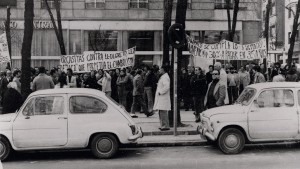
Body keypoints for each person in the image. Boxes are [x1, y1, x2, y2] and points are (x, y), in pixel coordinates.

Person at [153, 65, 171, 131]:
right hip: (161, 97)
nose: (159, 70)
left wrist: (160, 92)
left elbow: (166, 87)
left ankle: (165, 126)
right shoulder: (163, 77)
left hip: (163, 97)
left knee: (163, 111)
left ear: (163, 70)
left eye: (160, 69)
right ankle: (162, 125)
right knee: (161, 111)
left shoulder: (165, 77)